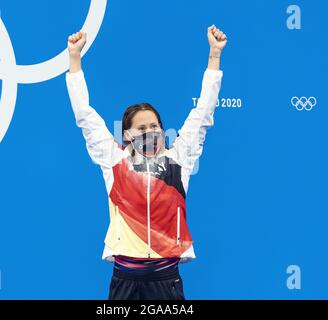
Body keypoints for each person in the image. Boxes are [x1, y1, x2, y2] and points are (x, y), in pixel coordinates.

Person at [66, 24, 227, 300]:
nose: (149, 131)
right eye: (141, 128)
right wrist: (74, 61)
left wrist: (214, 56)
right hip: (124, 280)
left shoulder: (179, 160)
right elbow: (86, 117)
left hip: (166, 281)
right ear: (126, 135)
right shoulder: (114, 161)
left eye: (154, 125)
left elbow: (203, 113)